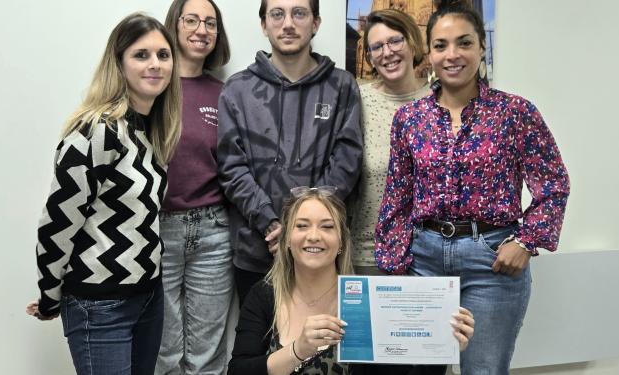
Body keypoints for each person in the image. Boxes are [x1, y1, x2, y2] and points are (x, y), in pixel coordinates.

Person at [374, 0, 570, 374]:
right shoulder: (409, 119)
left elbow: (554, 184)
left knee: (482, 370)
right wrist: (394, 263)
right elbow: (397, 198)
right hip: (424, 262)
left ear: (482, 47)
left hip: (491, 264)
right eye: (441, 45)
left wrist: (526, 242)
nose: (453, 55)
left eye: (464, 43)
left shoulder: (515, 113)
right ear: (428, 53)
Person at [25, 13, 181, 374]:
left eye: (163, 54)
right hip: (100, 305)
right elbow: (58, 222)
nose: (155, 64)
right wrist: (50, 296)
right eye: (141, 55)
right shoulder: (97, 131)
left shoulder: (151, 131)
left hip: (148, 297)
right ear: (119, 63)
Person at [228, 187, 475, 375]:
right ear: (287, 241)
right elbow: (238, 370)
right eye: (301, 226)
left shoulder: (368, 302)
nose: (313, 236)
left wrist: (443, 346)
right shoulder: (264, 295)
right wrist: (298, 350)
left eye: (327, 227)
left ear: (341, 242)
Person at [217, 0, 363, 304]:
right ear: (264, 24)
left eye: (299, 13)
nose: (288, 24)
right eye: (277, 14)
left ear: (316, 23)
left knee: (321, 346)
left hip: (320, 249)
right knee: (257, 347)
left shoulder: (342, 86)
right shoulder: (237, 90)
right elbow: (232, 166)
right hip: (257, 249)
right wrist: (271, 224)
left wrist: (303, 224)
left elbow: (347, 160)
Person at [155, 1, 231, 374]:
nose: (202, 30)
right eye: (192, 20)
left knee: (206, 354)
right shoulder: (152, 85)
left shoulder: (225, 94)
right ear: (175, 24)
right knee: (163, 351)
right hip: (157, 231)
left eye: (211, 23)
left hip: (214, 232)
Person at [350, 9, 430, 276]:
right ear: (369, 56)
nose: (387, 52)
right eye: (377, 47)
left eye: (395, 41)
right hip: (367, 254)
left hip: (431, 255)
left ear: (412, 42)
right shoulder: (357, 101)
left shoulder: (440, 100)